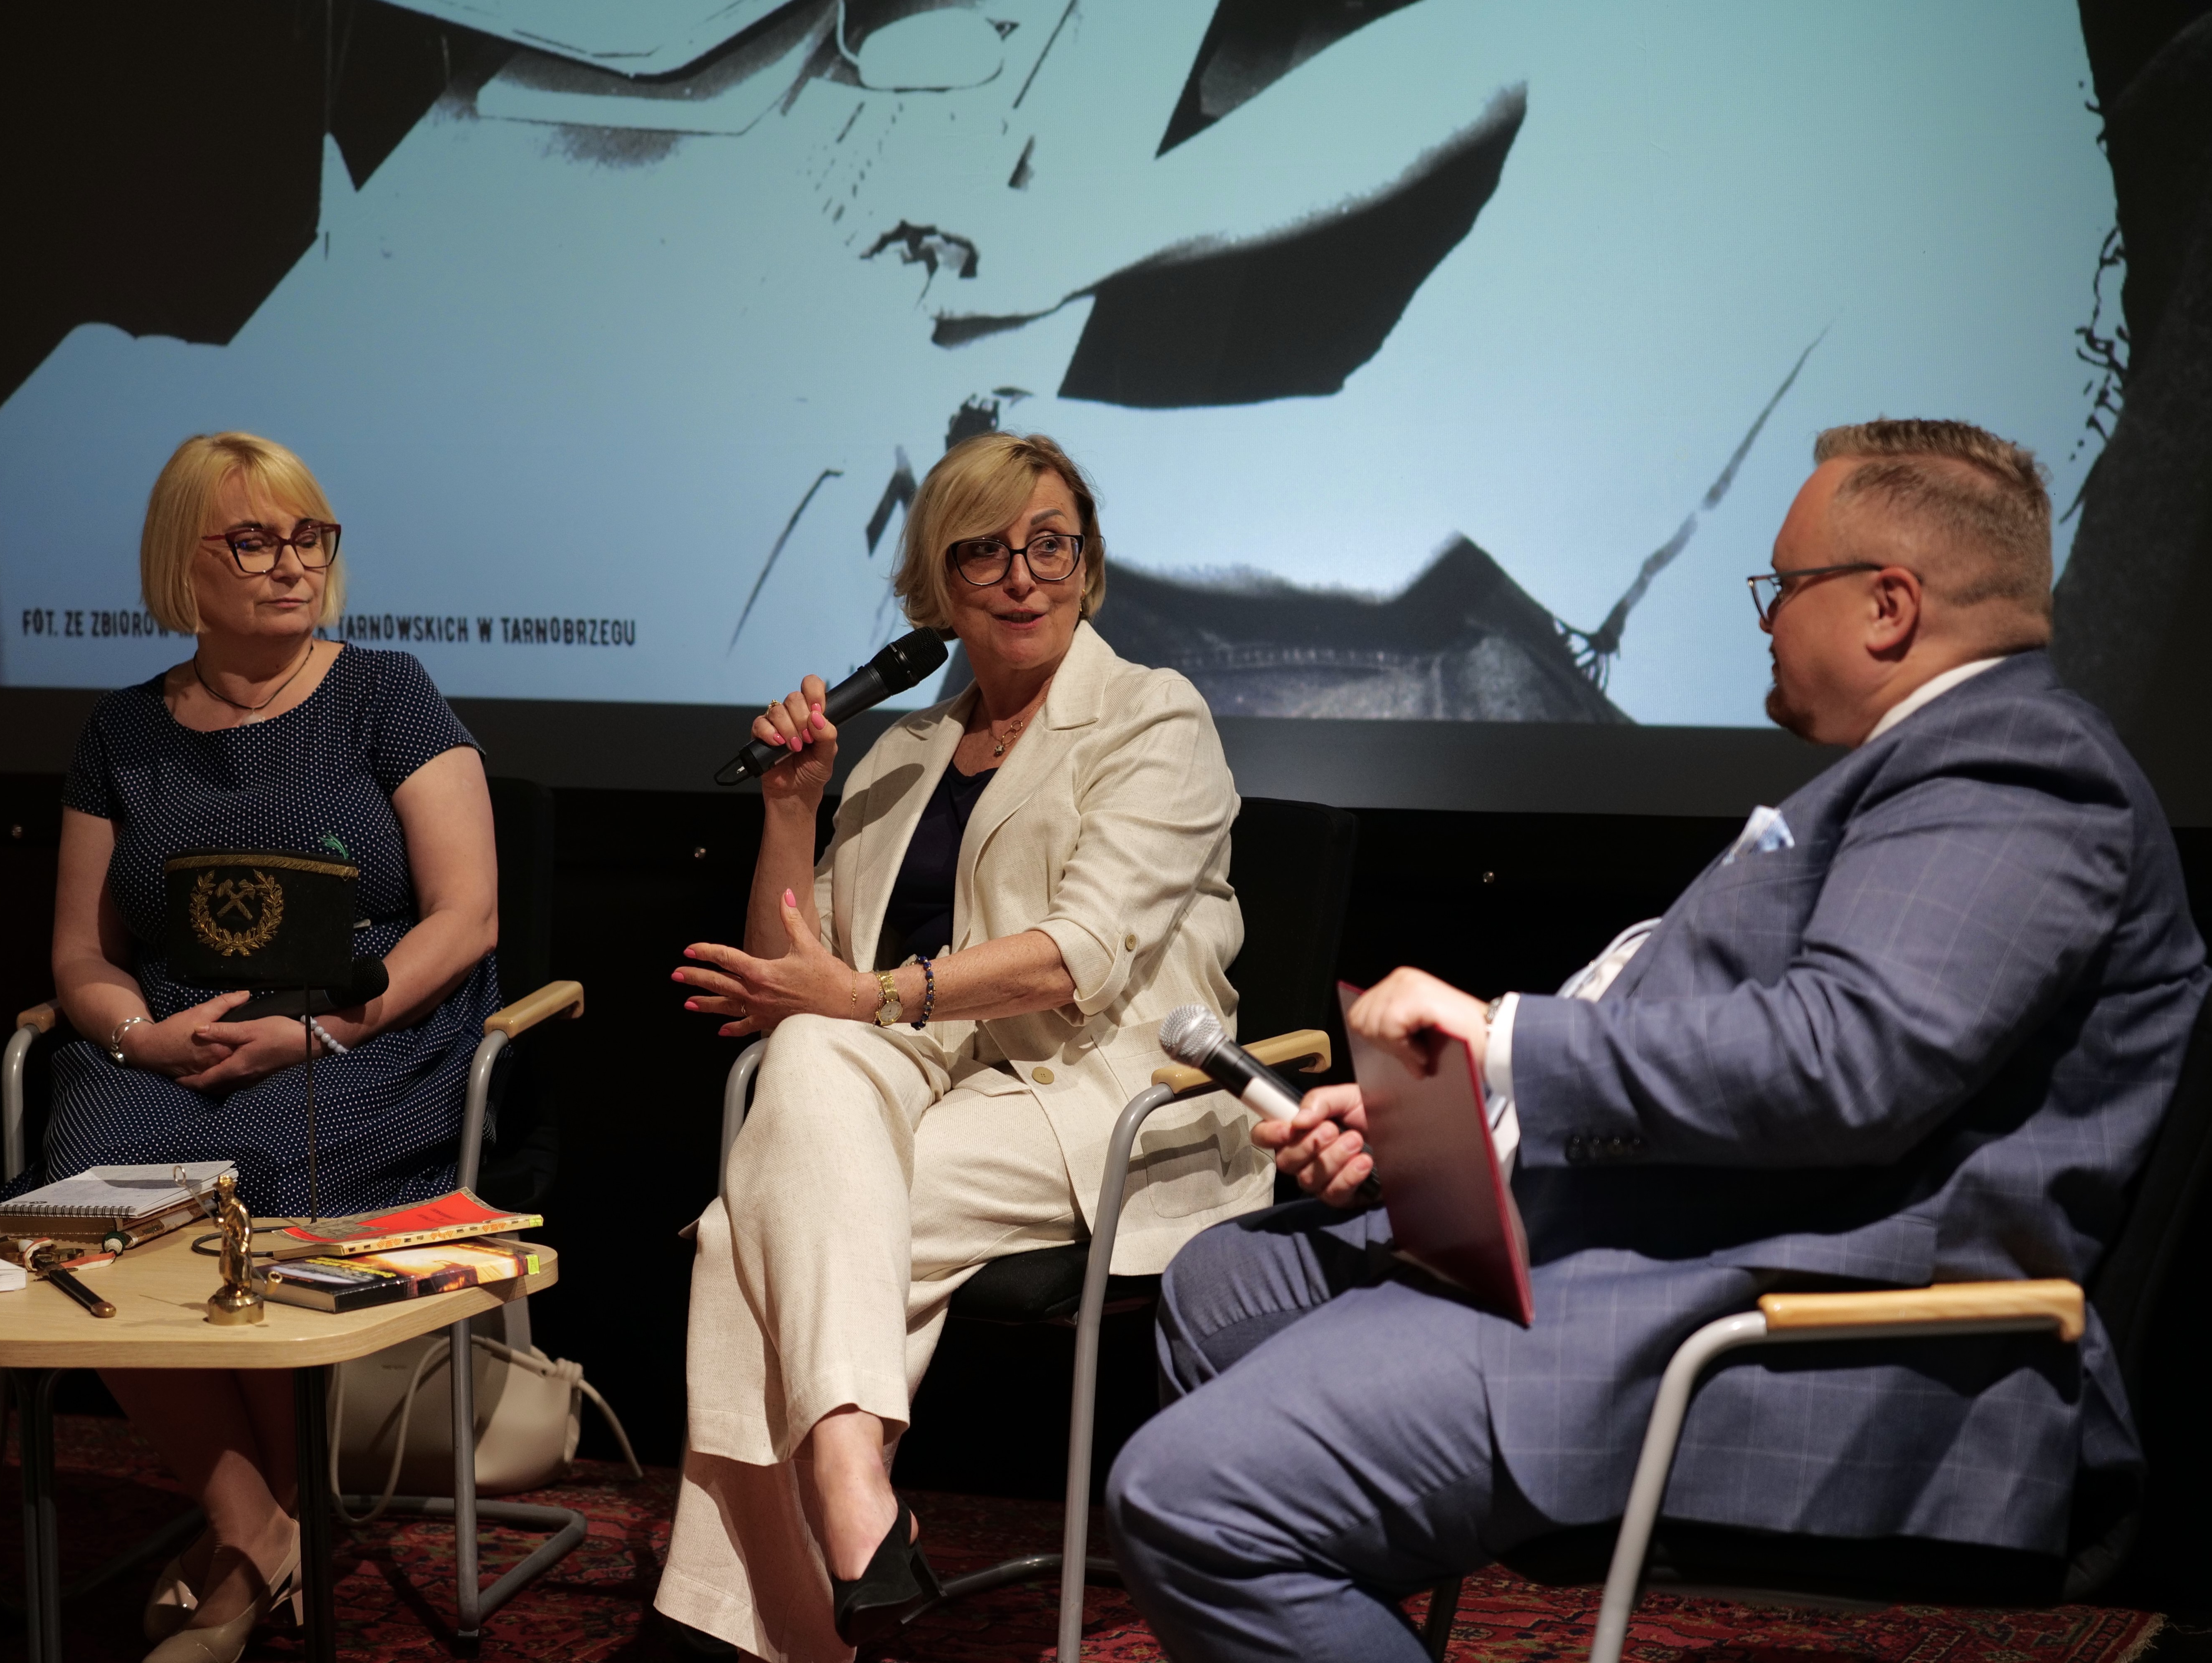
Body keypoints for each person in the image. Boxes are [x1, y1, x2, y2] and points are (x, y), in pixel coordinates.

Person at [1105, 418, 2211, 1663]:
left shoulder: (2013, 769)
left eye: (1784, 587)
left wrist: (1504, 1039)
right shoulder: (1918, 771)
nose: (1765, 621)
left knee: (1189, 1501)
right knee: (1223, 1284)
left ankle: (1284, 1527)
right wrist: (1456, 1125)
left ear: (1889, 607)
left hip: (1777, 1313)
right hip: (1658, 1228)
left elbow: (1847, 1062)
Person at [655, 432, 1264, 1661]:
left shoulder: (1153, 715)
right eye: (984, 551)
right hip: (928, 1078)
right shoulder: (902, 752)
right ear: (937, 585)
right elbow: (793, 974)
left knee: (747, 1234)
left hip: (1103, 1088)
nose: (1022, 575)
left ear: (1088, 566)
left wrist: (872, 994)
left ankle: (777, 1615)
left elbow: (1077, 955)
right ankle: (858, 1510)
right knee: (807, 1062)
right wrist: (791, 809)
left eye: (1051, 546)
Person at [0, 432, 502, 1663]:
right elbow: (81, 955)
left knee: (255, 1186)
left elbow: (468, 916)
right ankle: (257, 1524)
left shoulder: (386, 694)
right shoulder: (123, 732)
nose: (292, 564)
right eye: (257, 540)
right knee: (79, 1208)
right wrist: (141, 1034)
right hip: (174, 1044)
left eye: (309, 537)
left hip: (356, 1035)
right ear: (185, 564)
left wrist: (316, 1029)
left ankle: (269, 1538)